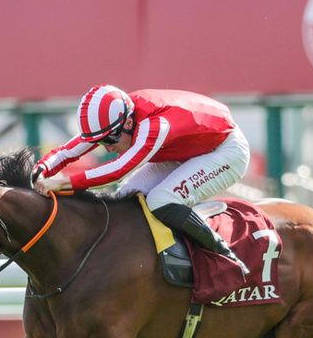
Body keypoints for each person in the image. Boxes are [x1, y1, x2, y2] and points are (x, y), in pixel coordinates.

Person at [33, 84, 251, 275]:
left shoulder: (154, 126)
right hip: (184, 149)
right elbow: (67, 151)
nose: (107, 147)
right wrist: (40, 170)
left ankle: (223, 256)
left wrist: (64, 183)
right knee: (124, 197)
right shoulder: (114, 119)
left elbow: (119, 169)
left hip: (225, 150)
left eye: (109, 139)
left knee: (161, 199)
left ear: (128, 123)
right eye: (99, 142)